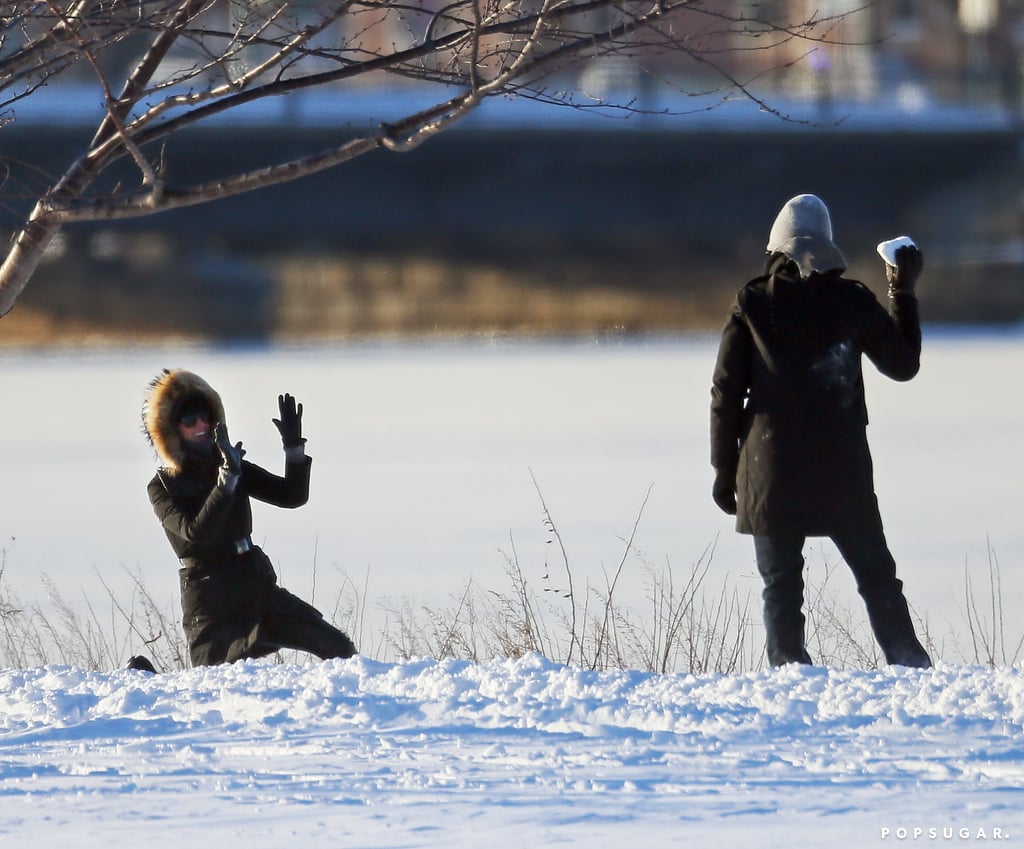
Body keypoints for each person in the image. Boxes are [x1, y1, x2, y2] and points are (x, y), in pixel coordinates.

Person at [709, 194, 931, 669]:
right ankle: (911, 667)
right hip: (842, 469)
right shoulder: (851, 300)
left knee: (781, 587)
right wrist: (903, 293)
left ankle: (791, 681)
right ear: (826, 245)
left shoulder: (752, 302)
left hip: (769, 468)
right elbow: (903, 364)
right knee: (876, 576)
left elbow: (725, 393)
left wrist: (724, 472)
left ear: (775, 246)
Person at [140, 368, 357, 668]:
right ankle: (141, 677)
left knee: (341, 650)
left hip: (256, 587)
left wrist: (294, 449)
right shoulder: (163, 487)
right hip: (212, 605)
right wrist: (226, 482)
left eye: (205, 416)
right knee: (213, 683)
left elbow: (291, 496)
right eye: (190, 420)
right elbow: (196, 533)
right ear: (172, 431)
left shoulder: (229, 462)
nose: (201, 425)